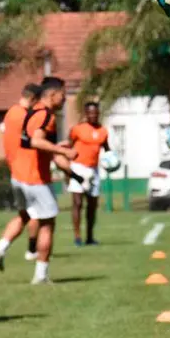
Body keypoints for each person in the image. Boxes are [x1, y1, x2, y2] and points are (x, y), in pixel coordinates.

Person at [13, 76, 78, 284]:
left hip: (22, 176)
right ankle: (40, 275)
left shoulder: (32, 112)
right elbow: (36, 141)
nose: (64, 99)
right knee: (47, 224)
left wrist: (72, 173)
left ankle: (2, 251)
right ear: (52, 94)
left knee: (28, 219)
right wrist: (63, 151)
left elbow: (39, 147)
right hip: (36, 178)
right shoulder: (46, 115)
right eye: (63, 95)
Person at [0, 83, 42, 270]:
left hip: (16, 172)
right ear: (34, 99)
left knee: (23, 215)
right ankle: (32, 251)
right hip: (28, 171)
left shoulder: (11, 112)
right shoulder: (26, 117)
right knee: (38, 213)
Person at [67, 102, 110, 247]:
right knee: (77, 203)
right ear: (86, 114)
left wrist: (111, 161)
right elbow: (69, 146)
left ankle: (90, 237)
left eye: (95, 113)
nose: (93, 115)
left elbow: (107, 149)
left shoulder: (103, 131)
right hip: (78, 167)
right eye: (90, 113)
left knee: (92, 205)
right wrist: (67, 168)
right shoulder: (77, 129)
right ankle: (77, 237)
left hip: (94, 170)